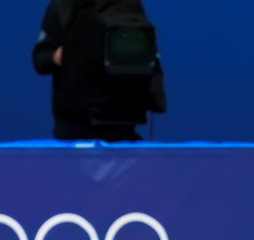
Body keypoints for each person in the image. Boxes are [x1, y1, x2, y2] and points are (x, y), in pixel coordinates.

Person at [32, 0, 166, 142]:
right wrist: (55, 57)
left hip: (122, 121)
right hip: (73, 126)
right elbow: (40, 58)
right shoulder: (62, 6)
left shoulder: (129, 4)